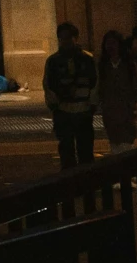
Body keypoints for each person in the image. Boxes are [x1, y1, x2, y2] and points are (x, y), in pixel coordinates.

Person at [42, 22, 98, 167]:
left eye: (68, 37)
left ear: (76, 38)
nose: (65, 41)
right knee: (66, 151)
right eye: (62, 38)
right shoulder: (53, 61)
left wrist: (92, 103)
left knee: (85, 150)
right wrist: (55, 105)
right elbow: (48, 85)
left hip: (83, 109)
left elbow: (95, 82)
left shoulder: (87, 59)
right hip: (64, 110)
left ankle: (86, 181)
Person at [97, 29, 137, 152]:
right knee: (114, 141)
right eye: (108, 43)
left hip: (126, 108)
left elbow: (136, 83)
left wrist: (134, 103)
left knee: (126, 141)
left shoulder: (128, 64)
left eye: (113, 43)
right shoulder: (103, 65)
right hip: (110, 109)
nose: (110, 47)